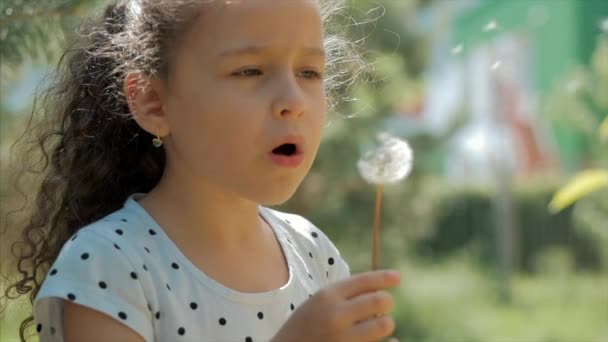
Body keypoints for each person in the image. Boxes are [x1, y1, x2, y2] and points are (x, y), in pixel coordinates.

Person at [3, 0, 401, 341]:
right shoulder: (109, 264)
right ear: (154, 103)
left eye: (309, 72)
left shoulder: (313, 251)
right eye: (249, 71)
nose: (293, 101)